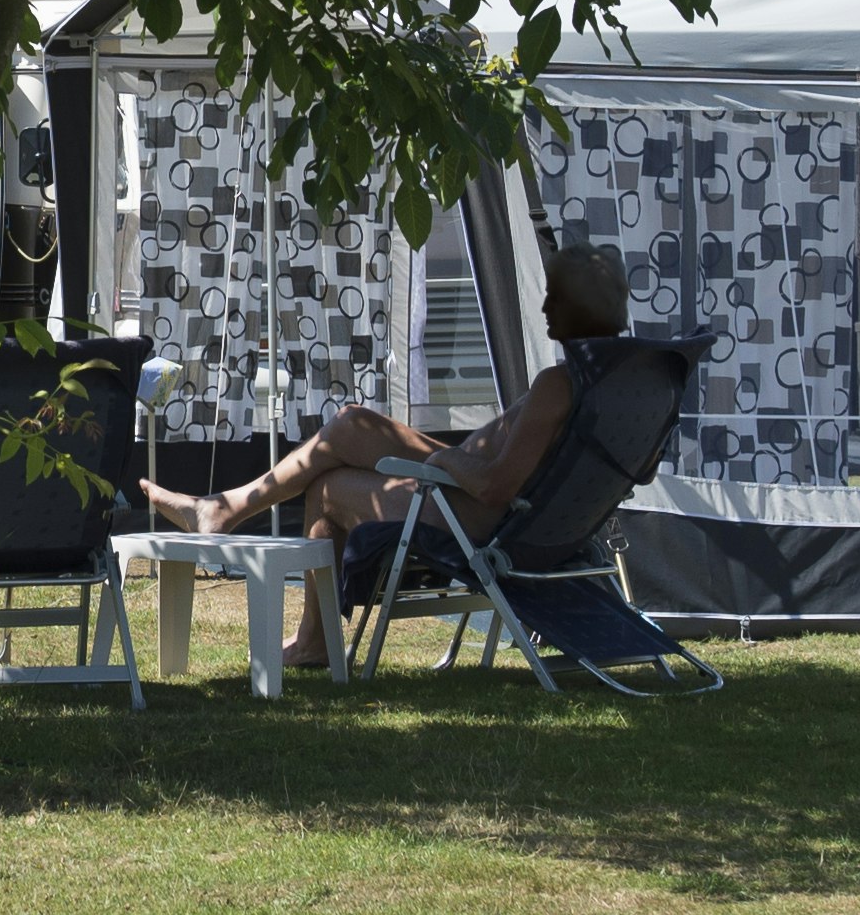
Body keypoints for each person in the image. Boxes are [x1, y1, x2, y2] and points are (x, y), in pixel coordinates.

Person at [147, 241, 638, 651]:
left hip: (475, 515)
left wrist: (445, 458)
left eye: (554, 296)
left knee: (331, 478)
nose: (546, 306)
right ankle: (235, 525)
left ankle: (232, 523)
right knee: (349, 428)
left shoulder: (559, 383)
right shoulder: (613, 382)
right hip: (519, 514)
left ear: (581, 304)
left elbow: (493, 487)